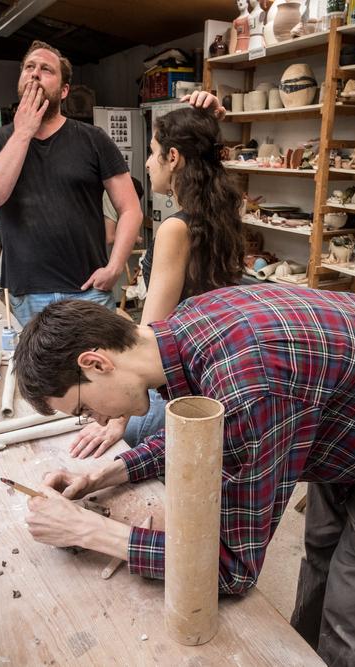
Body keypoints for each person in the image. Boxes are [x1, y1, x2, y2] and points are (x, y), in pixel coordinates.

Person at [12, 286, 355, 666]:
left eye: (83, 408)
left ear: (96, 363)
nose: (95, 421)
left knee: (353, 607)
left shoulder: (249, 386)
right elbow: (205, 431)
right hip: (343, 414)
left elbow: (230, 568)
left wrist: (90, 531)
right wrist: (110, 471)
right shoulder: (181, 331)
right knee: (321, 555)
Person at [70, 92, 244, 459]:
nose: (149, 163)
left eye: (153, 152)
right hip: (212, 368)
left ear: (174, 157)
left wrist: (119, 417)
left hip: (179, 378)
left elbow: (151, 337)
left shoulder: (176, 229)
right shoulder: (220, 216)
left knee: (124, 449)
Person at [0, 40, 142, 325]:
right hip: (27, 298)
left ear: (63, 91)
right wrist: (23, 132)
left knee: (99, 356)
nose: (35, 73)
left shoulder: (93, 139)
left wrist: (114, 268)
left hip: (88, 293)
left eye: (46, 69)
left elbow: (130, 208)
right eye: (29, 67)